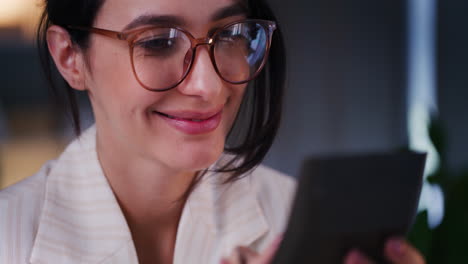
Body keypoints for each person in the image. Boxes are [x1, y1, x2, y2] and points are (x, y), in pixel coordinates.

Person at [0, 0, 426, 263]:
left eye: (232, 34)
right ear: (70, 56)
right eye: (158, 41)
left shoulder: (297, 219)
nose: (209, 86)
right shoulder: (9, 236)